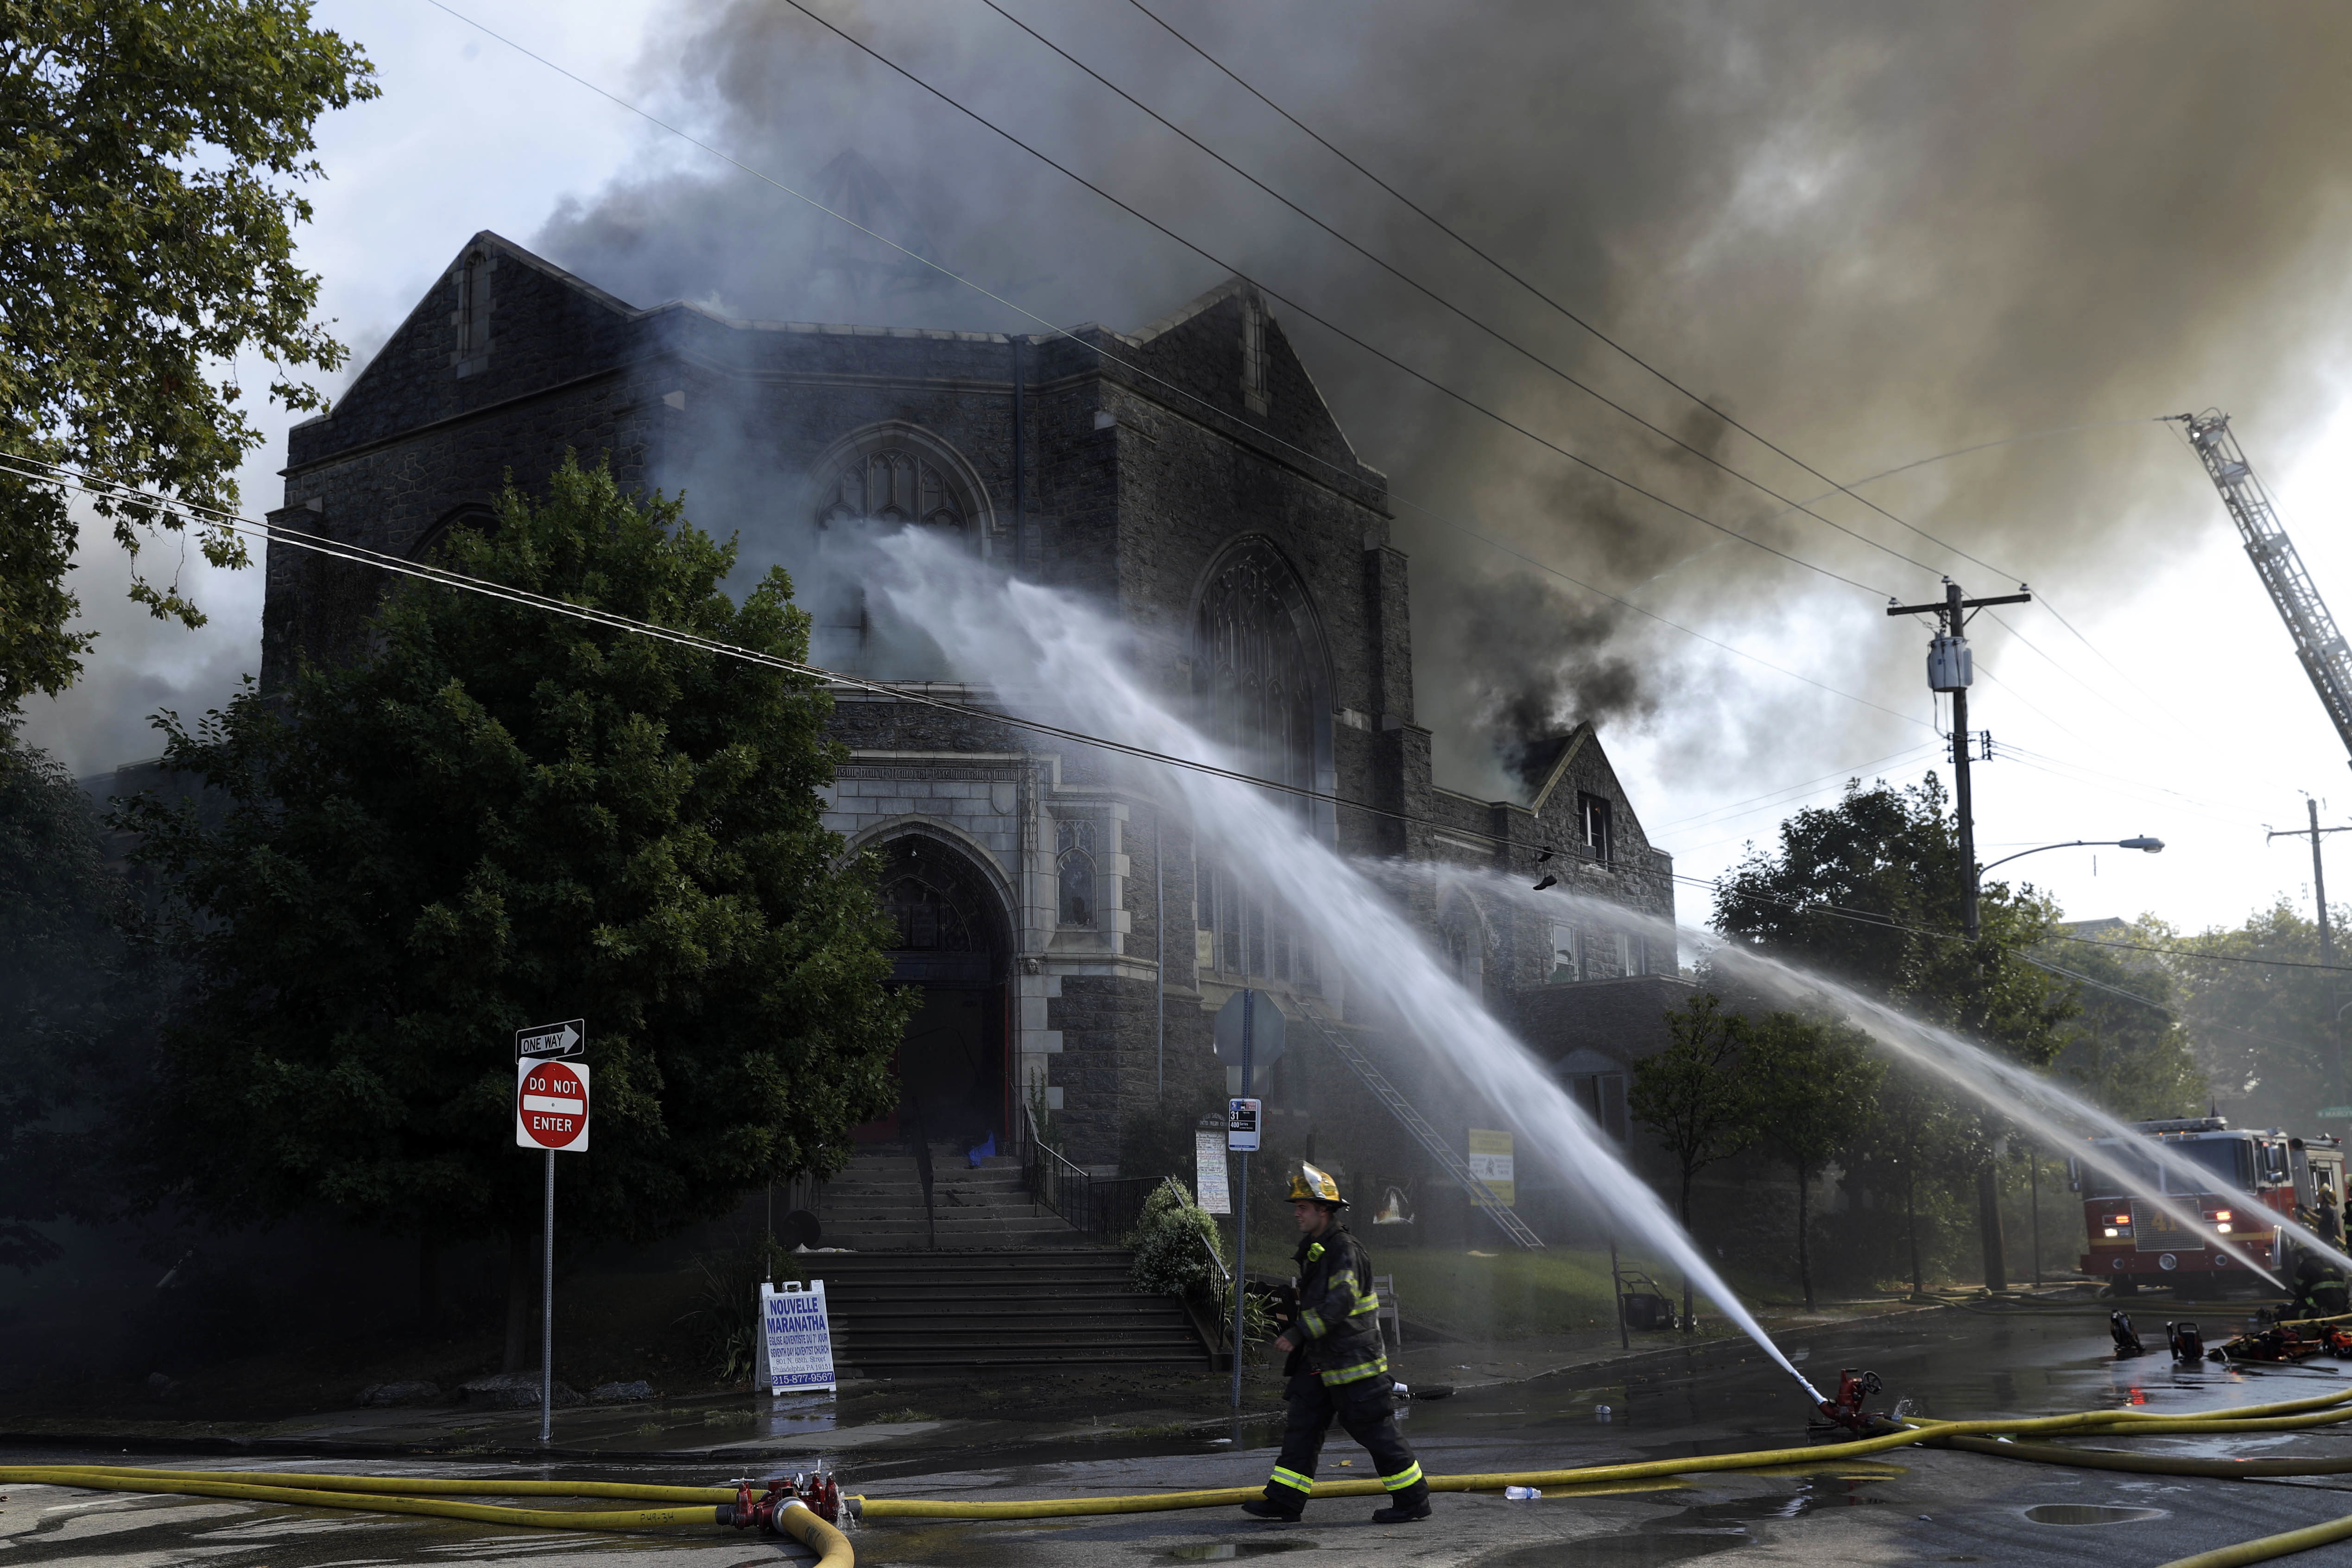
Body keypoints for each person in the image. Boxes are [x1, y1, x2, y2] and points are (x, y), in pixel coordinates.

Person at [1240, 1163, 1431, 1525]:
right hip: (1323, 1362)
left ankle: (1414, 1499)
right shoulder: (1319, 1248)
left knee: (1374, 1431)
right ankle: (1284, 1499)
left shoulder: (1344, 1249)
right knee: (1303, 1426)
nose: (1296, 1213)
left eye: (1303, 1207)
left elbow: (1339, 1302)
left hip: (1353, 1364)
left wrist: (1298, 1333)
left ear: (1324, 1210)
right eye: (1296, 1207)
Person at [2291, 1249, 2349, 1320]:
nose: (2300, 1257)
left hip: (2322, 1308)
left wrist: (2310, 1304)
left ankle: (2313, 1314)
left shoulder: (2306, 1266)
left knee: (2292, 1312)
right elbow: (2346, 1287)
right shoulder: (2331, 1264)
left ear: (2306, 1252)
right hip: (2341, 1308)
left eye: (2300, 1254)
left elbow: (2298, 1288)